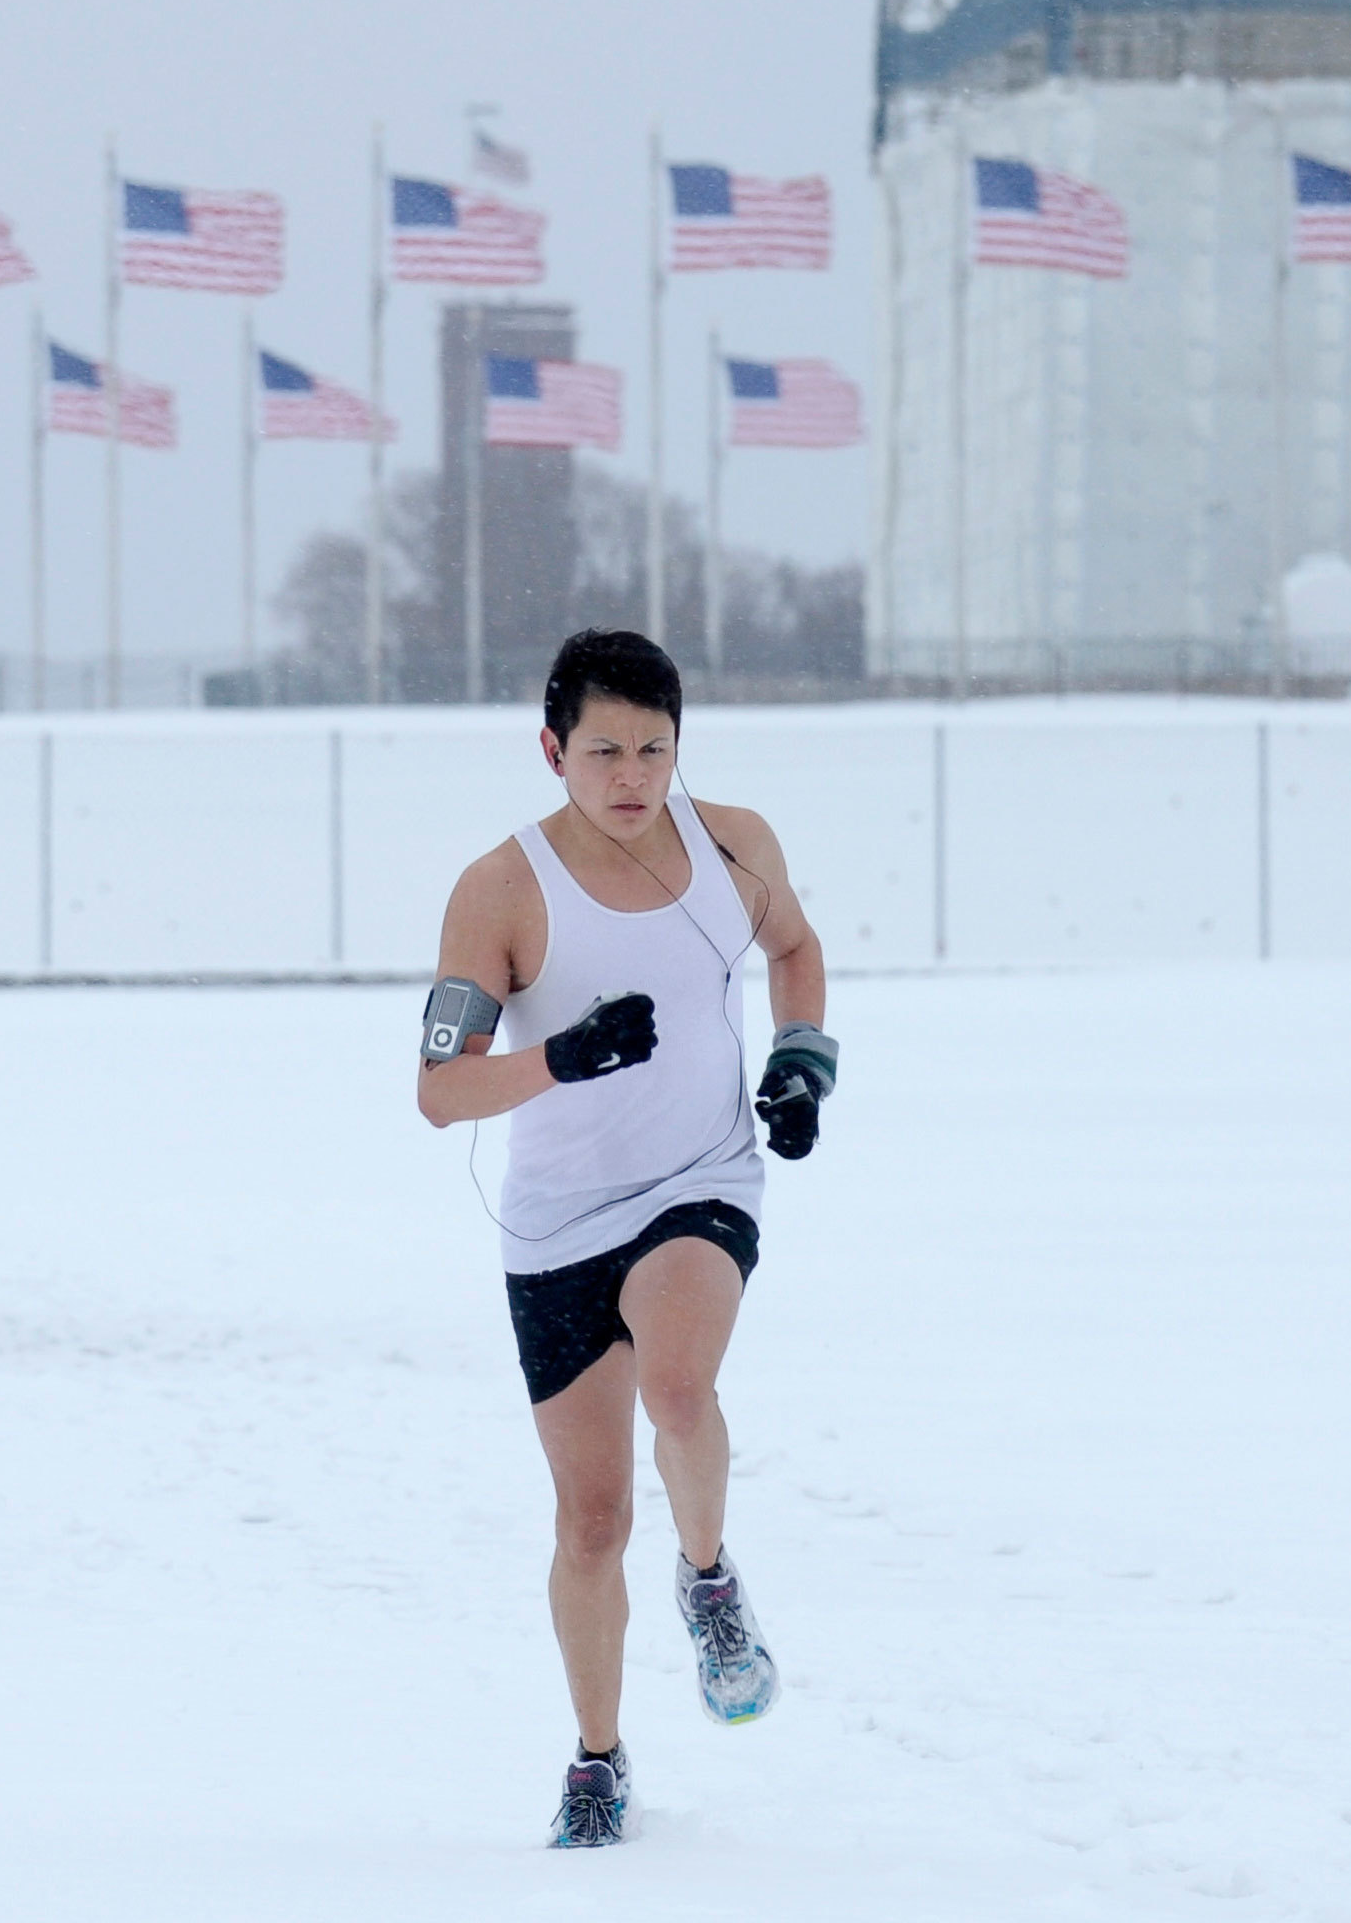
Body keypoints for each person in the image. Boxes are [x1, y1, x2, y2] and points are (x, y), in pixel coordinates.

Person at [417, 628, 837, 1848]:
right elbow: (440, 1089)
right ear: (551, 749)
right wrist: (561, 1055)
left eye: (653, 748)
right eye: (602, 749)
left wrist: (801, 1064)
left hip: (700, 1177)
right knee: (590, 1520)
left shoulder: (732, 841)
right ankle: (597, 1756)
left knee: (678, 1381)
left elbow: (795, 949)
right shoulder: (500, 889)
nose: (630, 776)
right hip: (554, 1224)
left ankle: (707, 1575)